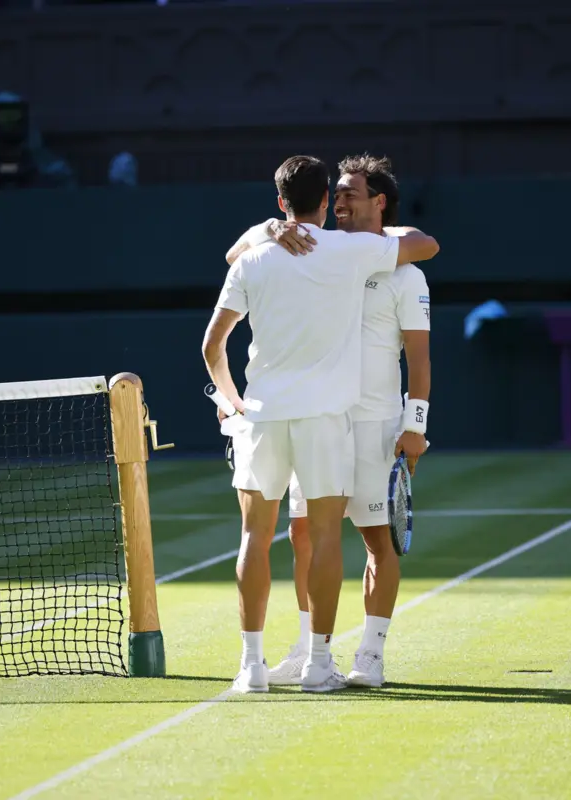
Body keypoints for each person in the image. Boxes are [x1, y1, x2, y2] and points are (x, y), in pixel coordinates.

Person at [202, 155, 440, 694]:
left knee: (377, 541)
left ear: (380, 202)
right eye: (336, 194)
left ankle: (371, 655)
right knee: (302, 533)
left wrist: (415, 423)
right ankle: (313, 651)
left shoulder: (397, 268)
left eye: (352, 194)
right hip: (323, 419)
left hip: (373, 422)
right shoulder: (325, 249)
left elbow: (420, 357)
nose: (341, 201)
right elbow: (238, 253)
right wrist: (274, 228)